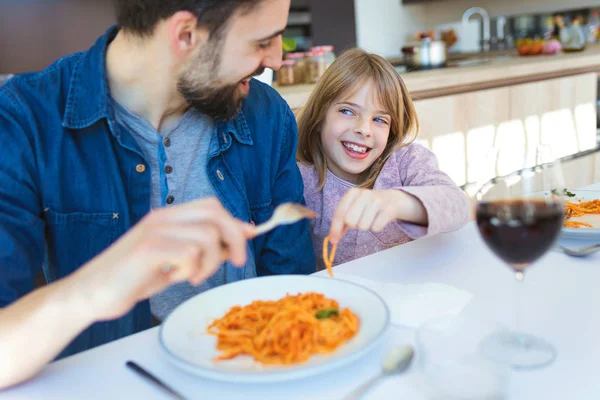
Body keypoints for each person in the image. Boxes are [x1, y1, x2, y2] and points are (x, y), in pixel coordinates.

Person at [0, 0, 314, 377]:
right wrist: (102, 281)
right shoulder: (24, 120)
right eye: (262, 41)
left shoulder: (266, 114)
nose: (278, 59)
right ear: (184, 35)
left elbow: (292, 288)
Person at [296, 48, 470, 269]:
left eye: (379, 119)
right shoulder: (300, 179)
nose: (363, 129)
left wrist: (396, 202)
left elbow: (458, 205)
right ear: (320, 116)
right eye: (347, 111)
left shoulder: (406, 162)